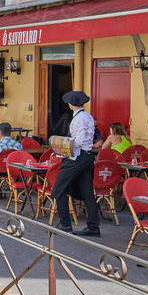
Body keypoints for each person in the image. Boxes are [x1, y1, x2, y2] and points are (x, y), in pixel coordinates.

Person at [53, 90, 100, 236]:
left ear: (71, 104)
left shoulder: (79, 118)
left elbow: (79, 141)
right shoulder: (88, 116)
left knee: (58, 190)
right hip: (87, 157)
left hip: (76, 157)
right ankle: (93, 227)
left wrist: (62, 144)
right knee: (87, 193)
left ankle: (65, 224)